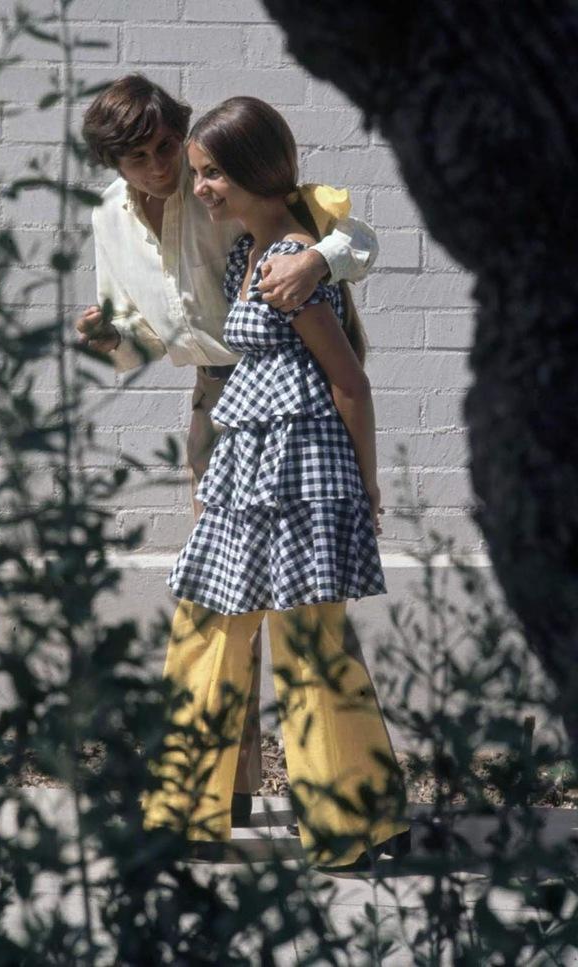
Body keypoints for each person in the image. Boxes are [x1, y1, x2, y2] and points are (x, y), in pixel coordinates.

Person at [76, 75, 381, 828]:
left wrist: (317, 261)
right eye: (138, 157)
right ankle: (224, 793)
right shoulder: (110, 220)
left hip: (285, 403)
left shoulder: (223, 187)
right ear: (114, 164)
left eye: (166, 147)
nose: (161, 166)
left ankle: (319, 805)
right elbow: (153, 334)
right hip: (218, 405)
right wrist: (110, 338)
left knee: (280, 614)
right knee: (226, 602)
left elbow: (351, 240)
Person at [141, 96, 409, 873]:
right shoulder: (249, 252)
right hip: (250, 478)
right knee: (207, 626)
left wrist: (365, 491)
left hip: (301, 482)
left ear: (258, 171)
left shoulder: (292, 261)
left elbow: (349, 384)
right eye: (198, 173)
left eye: (214, 172)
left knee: (307, 645)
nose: (202, 188)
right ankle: (186, 809)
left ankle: (350, 824)